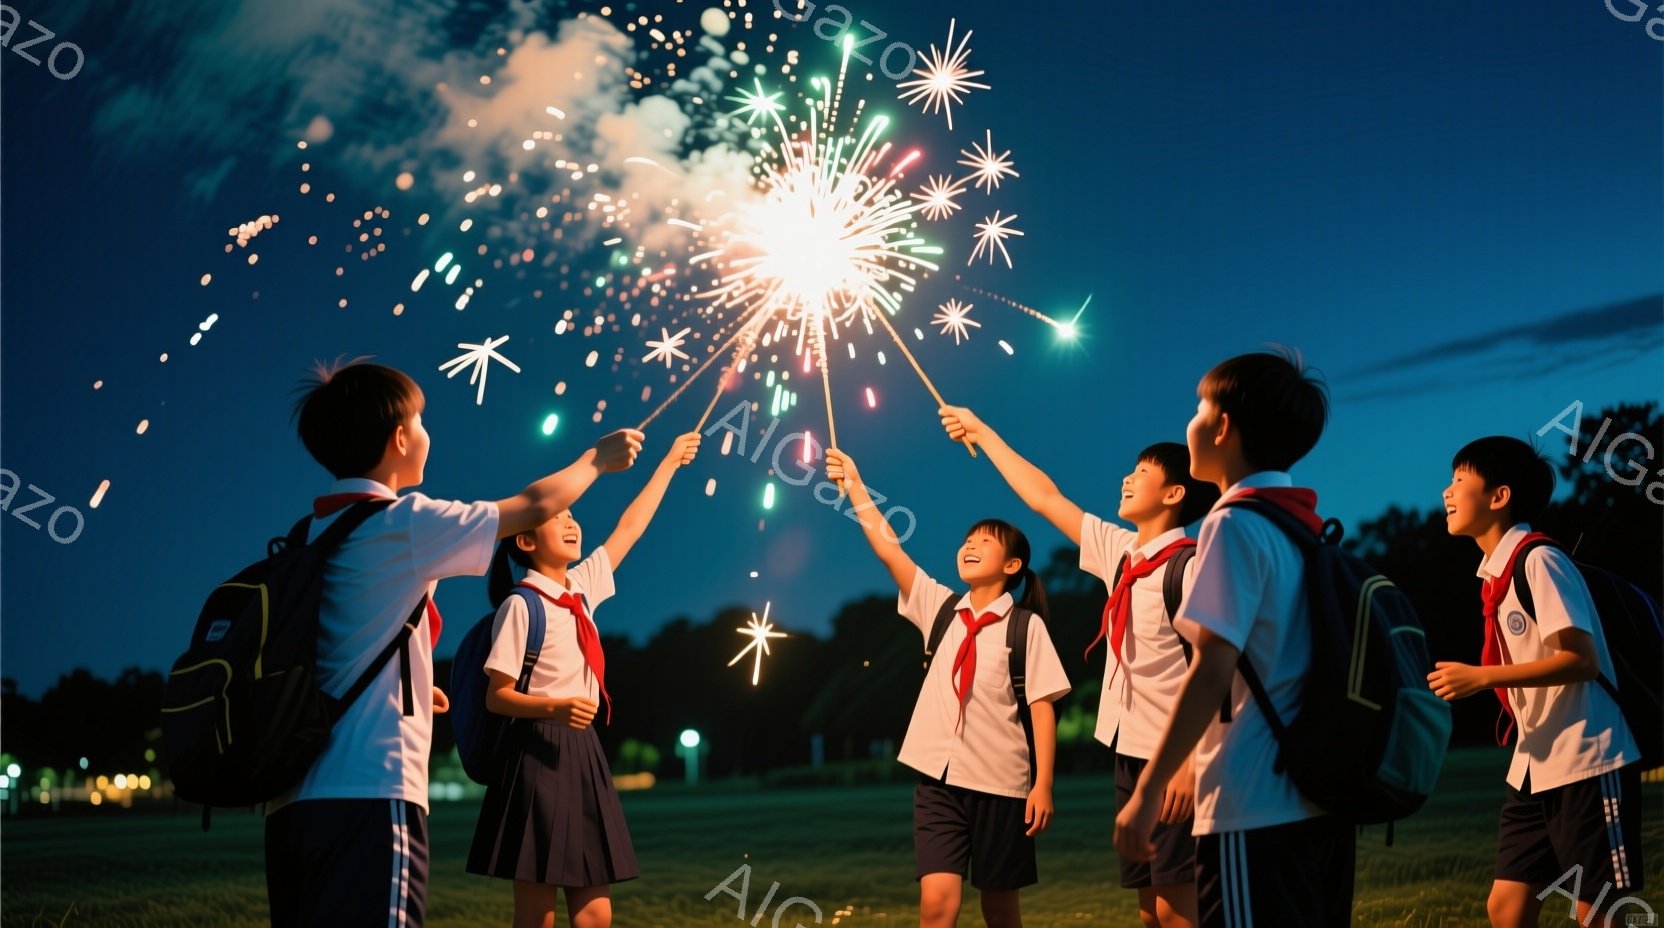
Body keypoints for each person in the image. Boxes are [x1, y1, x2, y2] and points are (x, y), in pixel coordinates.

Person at [266, 359, 642, 927]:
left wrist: (414, 685)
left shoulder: (309, 534)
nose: (427, 434)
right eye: (420, 422)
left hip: (292, 802)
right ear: (398, 439)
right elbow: (531, 507)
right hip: (370, 787)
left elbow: (337, 649)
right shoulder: (403, 522)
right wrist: (595, 460)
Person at [941, 407, 1217, 928]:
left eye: (1141, 472)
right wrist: (985, 432)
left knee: (1178, 909)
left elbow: (1219, 666)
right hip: (1130, 750)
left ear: (1175, 494)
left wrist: (1191, 762)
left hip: (1177, 754)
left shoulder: (1191, 566)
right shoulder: (1122, 554)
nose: (1127, 478)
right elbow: (1045, 499)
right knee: (1148, 911)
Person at [1113, 350, 1354, 926]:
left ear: (1222, 427)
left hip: (1254, 801)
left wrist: (1148, 790)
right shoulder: (1303, 525)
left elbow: (1211, 667)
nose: (1191, 421)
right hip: (1319, 794)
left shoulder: (1232, 523)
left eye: (1199, 407)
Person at [825, 447, 1070, 928]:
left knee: (1000, 911)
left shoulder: (1025, 628)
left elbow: (1042, 710)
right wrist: (855, 483)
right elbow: (889, 548)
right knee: (937, 907)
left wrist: (1043, 785)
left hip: (1002, 787)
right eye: (967, 539)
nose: (970, 545)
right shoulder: (940, 609)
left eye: (986, 541)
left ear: (1013, 566)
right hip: (936, 783)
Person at [468, 432, 700, 928]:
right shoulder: (520, 605)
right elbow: (496, 696)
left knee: (595, 913)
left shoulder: (582, 588)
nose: (572, 522)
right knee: (536, 914)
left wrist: (668, 464)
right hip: (534, 754)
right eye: (558, 517)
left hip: (583, 751)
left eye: (573, 516)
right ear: (526, 540)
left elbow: (630, 528)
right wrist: (554, 707)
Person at [1427, 436, 1643, 927]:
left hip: (1588, 758)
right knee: (1506, 906)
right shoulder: (1495, 575)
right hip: (1534, 765)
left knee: (1599, 911)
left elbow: (1580, 659)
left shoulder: (1539, 560)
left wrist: (1482, 677)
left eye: (1459, 481)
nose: (1447, 492)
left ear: (1499, 497)